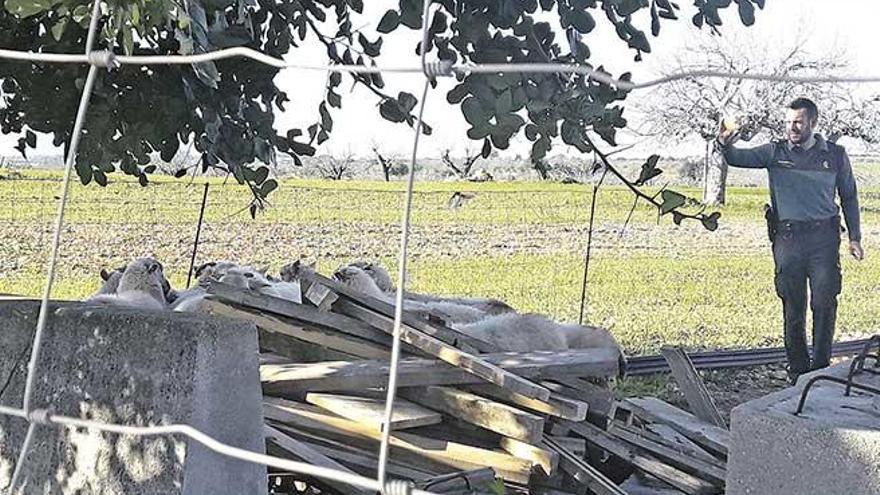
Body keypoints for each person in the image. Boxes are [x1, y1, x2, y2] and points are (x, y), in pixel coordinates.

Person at [716, 97, 864, 384]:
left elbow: (849, 195)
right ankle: (798, 370)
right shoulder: (774, 152)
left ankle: (820, 370)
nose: (791, 128)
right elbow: (737, 158)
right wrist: (724, 143)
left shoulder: (835, 155)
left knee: (824, 301)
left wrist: (855, 238)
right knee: (793, 304)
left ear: (812, 123)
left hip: (823, 239)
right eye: (788, 122)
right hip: (788, 239)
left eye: (797, 122)